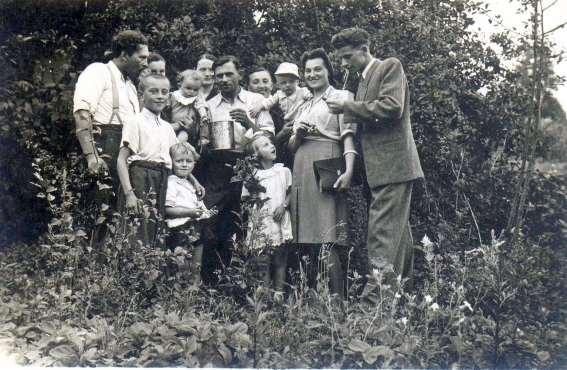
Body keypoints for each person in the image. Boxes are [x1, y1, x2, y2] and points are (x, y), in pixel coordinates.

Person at [327, 27, 424, 285]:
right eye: (340, 59)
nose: (344, 64)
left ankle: (372, 310)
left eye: (348, 57)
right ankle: (400, 301)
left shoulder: (389, 66)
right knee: (398, 239)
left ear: (364, 50)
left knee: (381, 236)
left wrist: (347, 106)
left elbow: (392, 107)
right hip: (381, 170)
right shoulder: (361, 82)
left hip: (393, 167)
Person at [288, 48, 358, 298]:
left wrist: (349, 170)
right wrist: (299, 135)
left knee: (327, 237)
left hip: (325, 166)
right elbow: (291, 146)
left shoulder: (341, 96)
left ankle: (338, 301)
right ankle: (313, 298)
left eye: (318, 68)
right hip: (301, 167)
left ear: (329, 70)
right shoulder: (303, 103)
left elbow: (348, 137)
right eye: (308, 70)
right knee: (305, 238)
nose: (313, 74)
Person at [201, 55, 274, 282]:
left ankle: (244, 284)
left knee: (246, 224)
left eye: (228, 74)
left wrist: (249, 124)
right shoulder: (209, 105)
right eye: (219, 75)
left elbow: (270, 139)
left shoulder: (255, 101)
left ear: (239, 74)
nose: (223, 79)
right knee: (212, 222)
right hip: (217, 170)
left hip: (248, 168)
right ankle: (212, 284)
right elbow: (203, 141)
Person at [73, 30, 149, 240]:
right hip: (104, 145)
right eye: (141, 57)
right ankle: (84, 264)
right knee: (97, 206)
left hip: (124, 149)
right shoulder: (98, 71)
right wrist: (91, 156)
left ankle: (108, 265)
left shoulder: (130, 85)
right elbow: (82, 113)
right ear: (124, 54)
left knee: (118, 210)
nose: (145, 62)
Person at [116, 74, 178, 247]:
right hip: (140, 179)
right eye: (154, 91)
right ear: (141, 95)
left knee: (157, 229)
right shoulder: (135, 122)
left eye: (164, 92)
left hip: (162, 180)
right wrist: (130, 194)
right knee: (137, 231)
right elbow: (121, 160)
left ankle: (153, 272)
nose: (160, 95)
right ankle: (132, 272)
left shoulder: (167, 128)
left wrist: (194, 183)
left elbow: (176, 159)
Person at [242, 134, 292, 302]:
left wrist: (284, 205)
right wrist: (254, 196)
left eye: (271, 143)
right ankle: (264, 299)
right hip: (262, 222)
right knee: (262, 260)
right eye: (265, 145)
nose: (271, 146)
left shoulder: (283, 171)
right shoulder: (252, 176)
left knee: (280, 259)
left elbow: (291, 192)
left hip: (279, 220)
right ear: (256, 154)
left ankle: (279, 297)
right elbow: (245, 199)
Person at [165, 142, 216, 286]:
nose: (184, 165)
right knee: (181, 264)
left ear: (194, 163)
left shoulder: (190, 184)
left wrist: (205, 212)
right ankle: (180, 294)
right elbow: (168, 210)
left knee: (196, 264)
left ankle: (193, 292)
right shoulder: (171, 182)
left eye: (188, 161)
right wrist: (190, 212)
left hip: (196, 227)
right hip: (180, 229)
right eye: (179, 161)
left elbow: (196, 206)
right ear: (172, 162)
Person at [247, 67, 292, 167]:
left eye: (265, 81)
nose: (261, 86)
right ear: (249, 88)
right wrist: (281, 134)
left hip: (285, 160)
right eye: (256, 82)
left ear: (271, 86)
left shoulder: (282, 106)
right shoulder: (248, 110)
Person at [170, 69, 210, 147]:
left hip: (186, 127)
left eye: (195, 90)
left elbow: (201, 106)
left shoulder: (197, 98)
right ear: (180, 84)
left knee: (182, 137)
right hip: (173, 123)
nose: (191, 92)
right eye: (188, 88)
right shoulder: (174, 96)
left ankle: (177, 148)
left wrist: (204, 115)